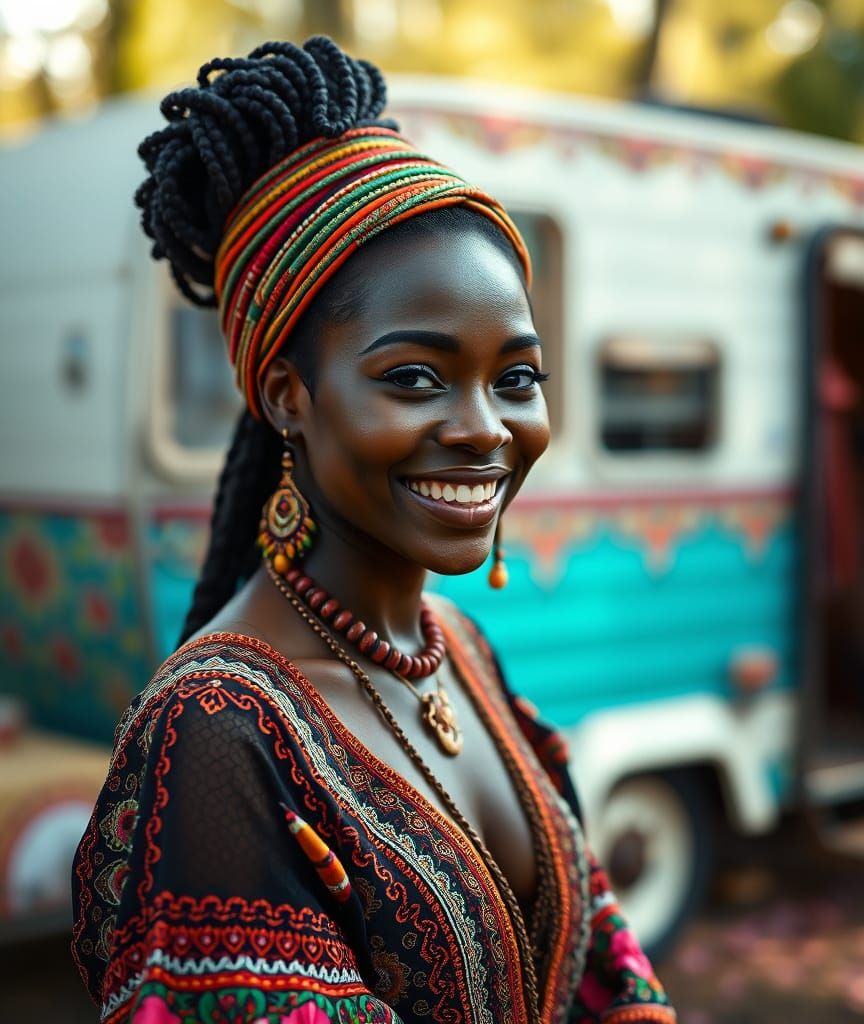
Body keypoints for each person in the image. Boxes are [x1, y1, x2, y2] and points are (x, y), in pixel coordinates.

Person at [71, 37, 677, 1024]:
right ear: (287, 395)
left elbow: (605, 950)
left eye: (515, 377)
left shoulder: (464, 653)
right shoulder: (220, 734)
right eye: (415, 378)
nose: (485, 427)